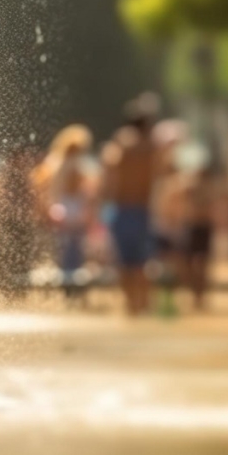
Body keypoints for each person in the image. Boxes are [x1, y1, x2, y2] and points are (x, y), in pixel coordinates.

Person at [102, 98, 159, 315]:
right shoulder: (151, 145)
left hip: (122, 208)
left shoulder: (122, 141)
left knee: (125, 262)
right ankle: (143, 304)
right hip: (142, 209)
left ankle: (130, 306)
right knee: (142, 261)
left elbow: (109, 165)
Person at [34, 125, 95, 300]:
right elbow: (81, 190)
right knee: (74, 252)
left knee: (62, 251)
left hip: (58, 209)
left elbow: (41, 186)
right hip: (73, 210)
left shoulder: (52, 163)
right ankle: (73, 290)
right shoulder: (77, 165)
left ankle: (66, 289)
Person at [179, 165, 219, 310]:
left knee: (202, 264)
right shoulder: (190, 189)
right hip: (193, 226)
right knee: (188, 262)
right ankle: (195, 292)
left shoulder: (209, 190)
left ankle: (200, 295)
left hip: (203, 227)